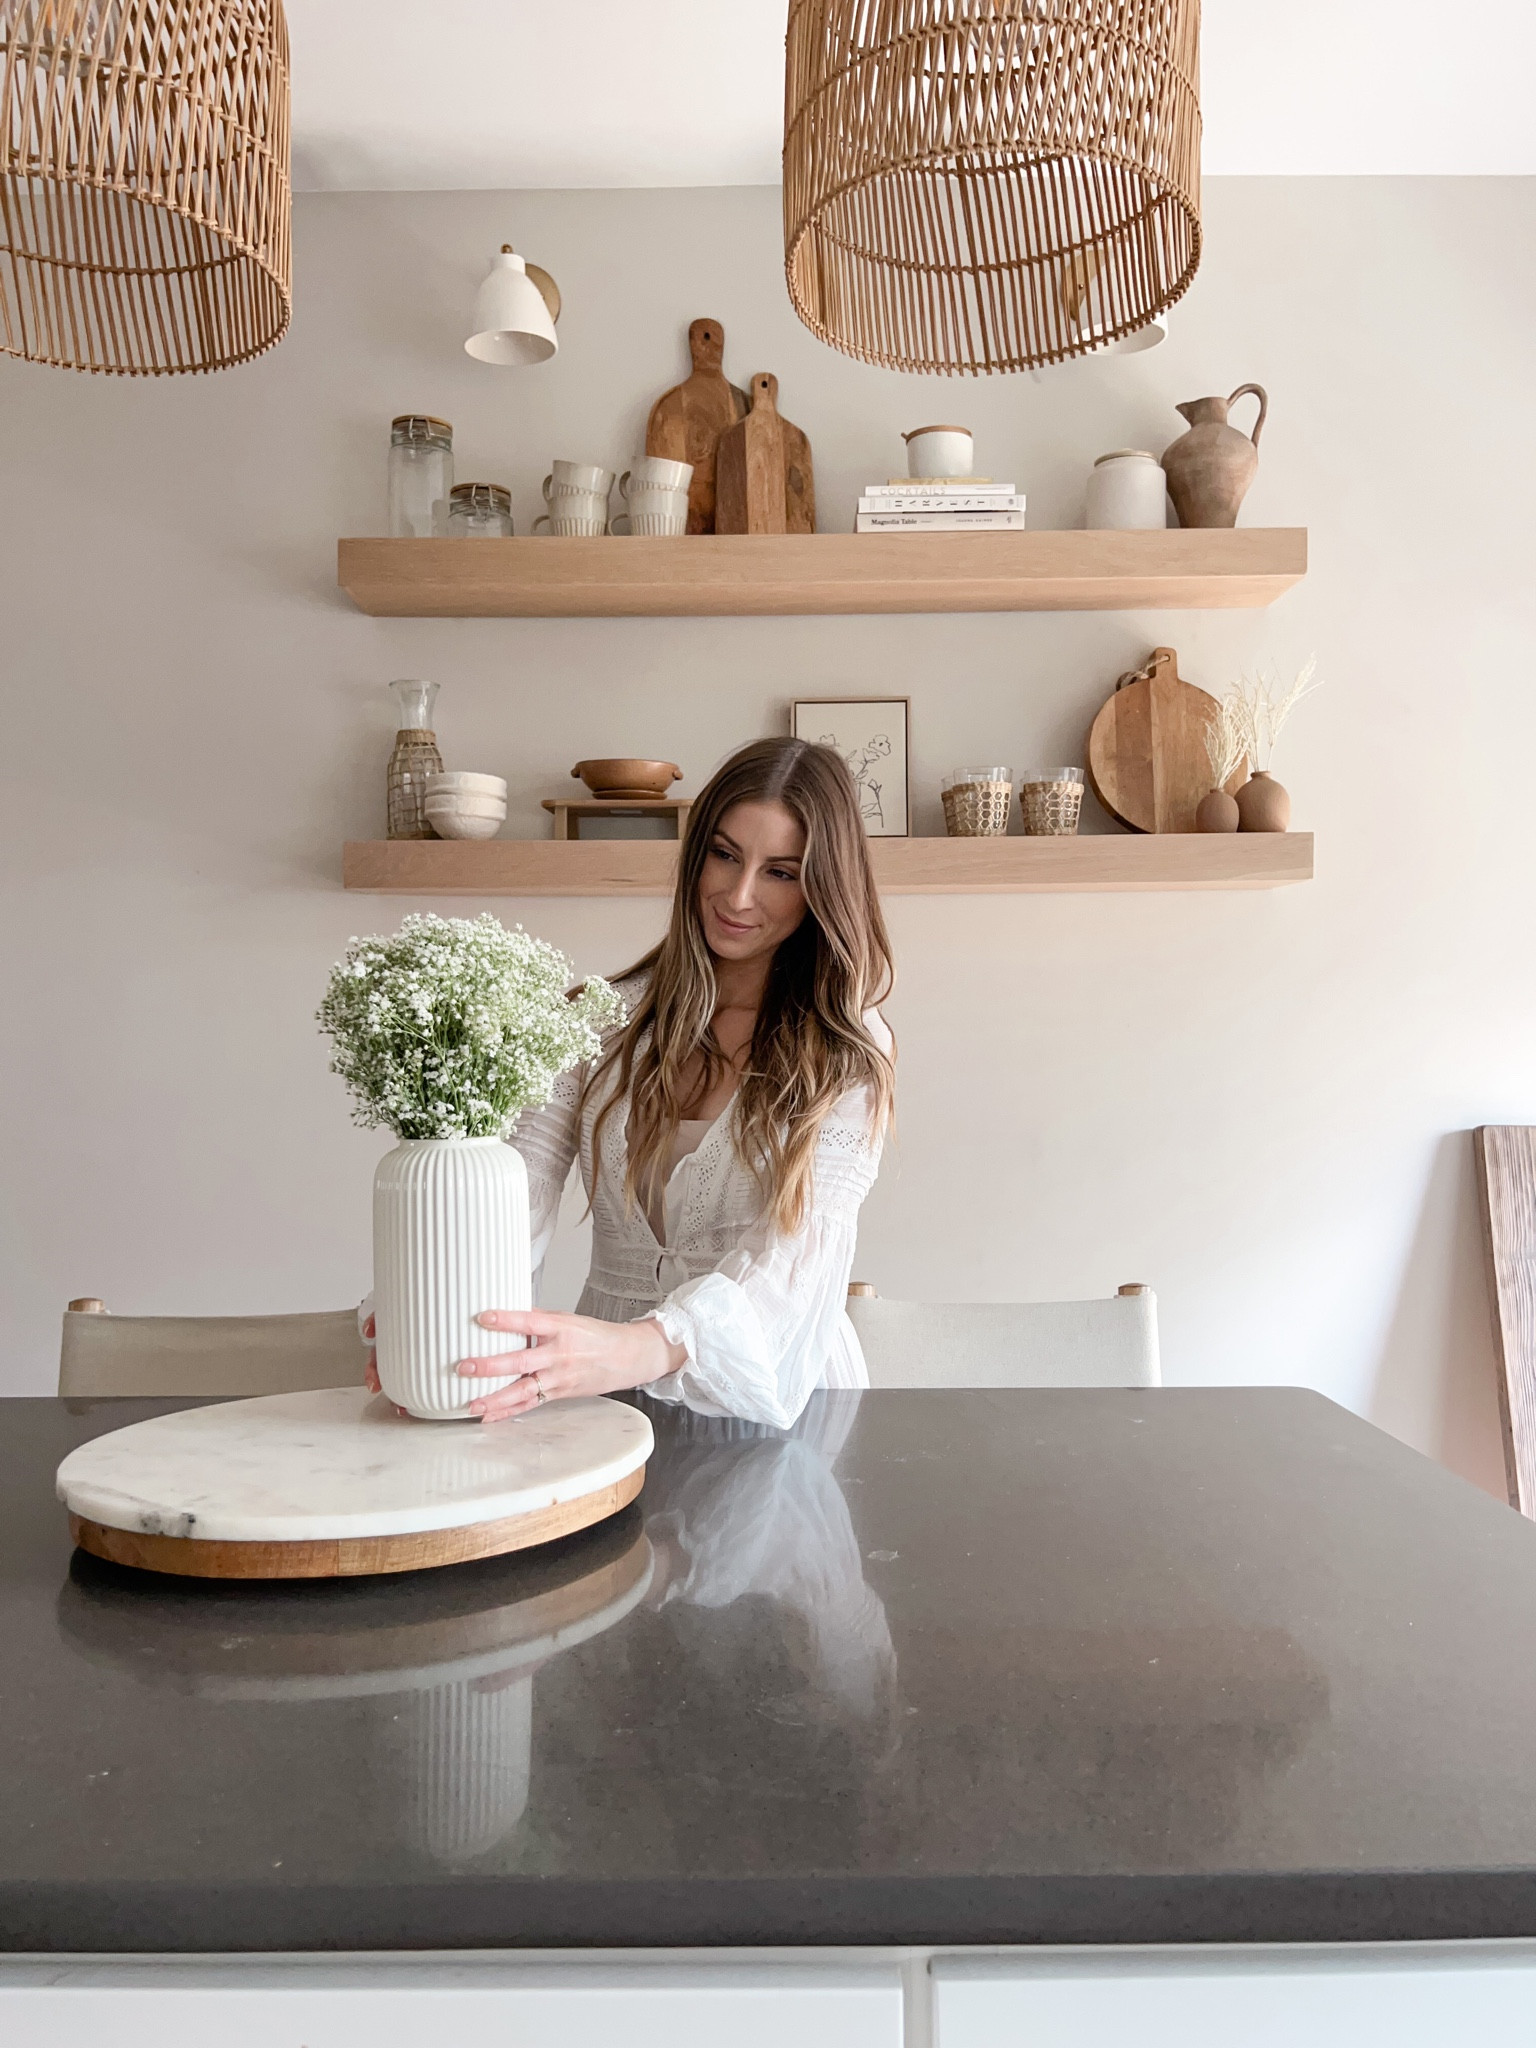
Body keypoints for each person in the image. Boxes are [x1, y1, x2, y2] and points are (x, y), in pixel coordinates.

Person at [366, 737, 895, 1432]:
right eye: (725, 855)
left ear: (824, 886)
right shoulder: (599, 1018)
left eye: (781, 872)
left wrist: (647, 1345)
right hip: (600, 1394)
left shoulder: (846, 1047)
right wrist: (434, 1318)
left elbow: (795, 1261)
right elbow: (512, 1194)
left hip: (778, 1402)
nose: (738, 896)